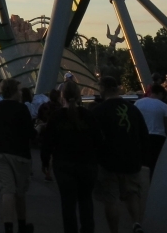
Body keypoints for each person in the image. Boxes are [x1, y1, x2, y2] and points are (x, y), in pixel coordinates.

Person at [42, 79, 100, 233]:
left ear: (63, 96)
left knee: (68, 203)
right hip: (87, 165)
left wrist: (45, 162)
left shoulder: (56, 117)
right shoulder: (88, 116)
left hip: (64, 165)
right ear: (79, 95)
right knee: (86, 200)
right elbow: (98, 140)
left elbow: (47, 141)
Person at [93, 76, 148, 233]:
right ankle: (136, 223)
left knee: (111, 200)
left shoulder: (98, 111)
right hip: (131, 160)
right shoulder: (133, 109)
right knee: (132, 194)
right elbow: (143, 134)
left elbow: (94, 138)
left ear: (103, 89)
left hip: (108, 162)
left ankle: (114, 230)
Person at [0, 78, 36, 233]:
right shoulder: (22, 109)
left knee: (7, 191)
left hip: (1, 153)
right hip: (20, 154)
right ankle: (22, 225)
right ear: (15, 92)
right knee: (20, 192)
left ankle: (8, 227)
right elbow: (30, 133)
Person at [135, 83, 167, 179]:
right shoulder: (164, 106)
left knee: (143, 161)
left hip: (142, 136)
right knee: (155, 162)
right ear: (160, 93)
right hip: (158, 138)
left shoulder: (138, 103)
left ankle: (142, 181)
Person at [36, 89, 64, 181]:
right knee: (53, 153)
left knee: (45, 152)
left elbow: (39, 117)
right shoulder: (61, 108)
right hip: (56, 133)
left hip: (45, 132)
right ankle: (49, 171)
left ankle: (45, 167)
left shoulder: (44, 106)